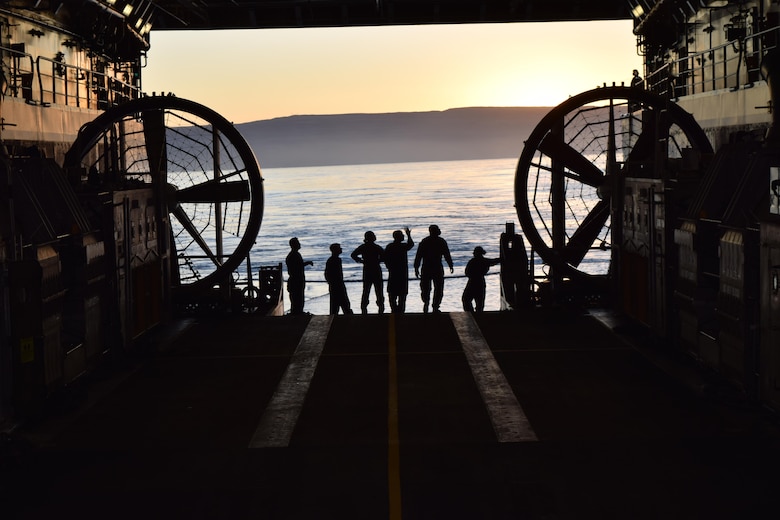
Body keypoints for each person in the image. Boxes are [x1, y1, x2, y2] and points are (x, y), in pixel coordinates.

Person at [414, 225, 453, 313]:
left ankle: (428, 302)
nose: (439, 231)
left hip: (427, 267)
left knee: (427, 287)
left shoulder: (425, 241)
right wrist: (450, 264)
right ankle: (434, 305)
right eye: (438, 230)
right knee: (437, 288)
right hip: (436, 267)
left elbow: (418, 256)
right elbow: (447, 254)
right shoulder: (440, 241)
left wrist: (416, 267)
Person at [351, 231, 385, 314]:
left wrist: (361, 260)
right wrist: (378, 260)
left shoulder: (363, 247)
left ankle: (364, 306)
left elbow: (353, 255)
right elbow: (384, 256)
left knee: (366, 289)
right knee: (378, 290)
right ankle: (380, 306)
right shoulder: (376, 247)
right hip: (376, 269)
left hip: (367, 269)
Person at [384, 227, 414, 313]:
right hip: (401, 272)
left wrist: (388, 266)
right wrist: (409, 235)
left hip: (393, 271)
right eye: (402, 235)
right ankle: (400, 310)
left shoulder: (390, 246)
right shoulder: (402, 246)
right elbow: (410, 245)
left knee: (392, 292)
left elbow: (385, 258)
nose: (403, 236)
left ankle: (394, 309)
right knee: (402, 293)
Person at [462, 246, 501, 312]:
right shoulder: (485, 261)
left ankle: (470, 313)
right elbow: (494, 261)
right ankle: (478, 315)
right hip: (480, 281)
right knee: (479, 302)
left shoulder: (472, 261)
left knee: (466, 299)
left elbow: (467, 273)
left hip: (472, 282)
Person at [285, 237, 313, 315]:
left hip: (297, 280)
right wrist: (307, 263)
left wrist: (307, 263)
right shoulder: (293, 255)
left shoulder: (294, 255)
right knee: (297, 299)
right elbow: (297, 267)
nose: (299, 244)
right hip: (296, 280)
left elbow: (298, 266)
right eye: (298, 243)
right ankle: (297, 314)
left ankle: (298, 313)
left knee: (298, 299)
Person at [325, 243, 353, 315]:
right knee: (343, 304)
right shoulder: (334, 260)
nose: (341, 249)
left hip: (336, 285)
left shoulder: (333, 260)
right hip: (337, 285)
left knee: (336, 305)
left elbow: (327, 274)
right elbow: (329, 273)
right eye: (339, 248)